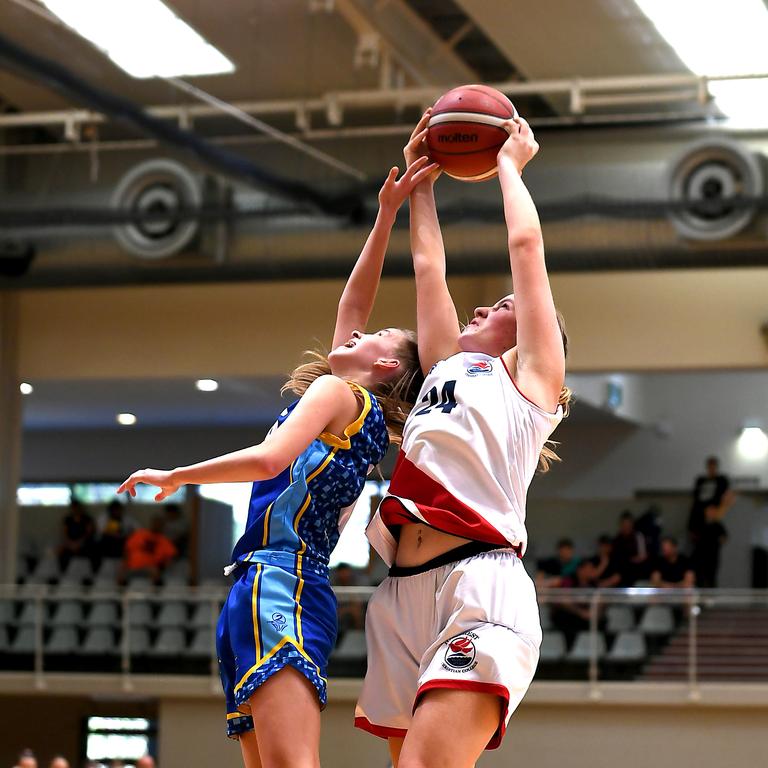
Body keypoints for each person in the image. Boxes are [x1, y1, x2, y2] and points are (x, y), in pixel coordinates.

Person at [117, 157, 434, 768]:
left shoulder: (340, 394)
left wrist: (177, 475)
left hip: (279, 579)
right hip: (270, 579)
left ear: (386, 366)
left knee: (289, 764)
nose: (355, 332)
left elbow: (269, 461)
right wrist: (386, 216)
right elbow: (354, 304)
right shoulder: (353, 407)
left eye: (374, 336)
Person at [356, 112, 569, 767]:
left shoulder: (530, 384)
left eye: (503, 307)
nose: (483, 307)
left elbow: (526, 251)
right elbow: (428, 269)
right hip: (401, 591)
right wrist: (423, 186)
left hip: (480, 582)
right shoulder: (446, 367)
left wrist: (508, 167)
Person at [121, 515, 178, 584]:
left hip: (150, 569)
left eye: (159, 524)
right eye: (155, 523)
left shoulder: (164, 540)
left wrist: (161, 567)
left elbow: (172, 556)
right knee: (122, 576)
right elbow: (127, 550)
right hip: (132, 567)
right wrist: (124, 566)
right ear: (152, 523)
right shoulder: (140, 534)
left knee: (156, 573)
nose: (157, 526)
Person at [688, 457, 730, 544]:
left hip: (714, 506)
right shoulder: (701, 480)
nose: (712, 469)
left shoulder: (721, 480)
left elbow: (724, 493)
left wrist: (717, 506)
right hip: (701, 509)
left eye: (713, 467)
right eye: (710, 467)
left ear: (716, 467)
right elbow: (695, 499)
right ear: (707, 467)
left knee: (713, 524)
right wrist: (691, 529)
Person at [57, 498, 95, 570]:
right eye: (74, 508)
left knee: (92, 551)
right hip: (70, 544)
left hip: (84, 543)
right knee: (62, 552)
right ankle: (65, 572)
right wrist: (71, 544)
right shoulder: (68, 519)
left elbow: (88, 533)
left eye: (78, 508)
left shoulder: (87, 519)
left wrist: (79, 543)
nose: (76, 510)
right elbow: (64, 534)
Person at [612, 511, 648, 586]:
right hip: (621, 573)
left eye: (629, 524)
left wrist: (631, 560)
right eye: (624, 524)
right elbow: (615, 558)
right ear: (621, 525)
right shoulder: (617, 539)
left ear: (632, 524)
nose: (626, 527)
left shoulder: (638, 536)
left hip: (636, 570)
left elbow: (643, 556)